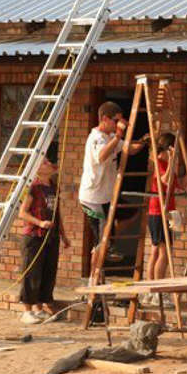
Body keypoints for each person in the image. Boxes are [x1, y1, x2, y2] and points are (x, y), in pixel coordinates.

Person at [79, 101, 148, 286]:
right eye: (116, 121)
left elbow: (128, 148)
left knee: (131, 214)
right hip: (93, 198)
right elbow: (101, 156)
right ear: (105, 119)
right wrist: (118, 135)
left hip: (106, 197)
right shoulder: (95, 138)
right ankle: (94, 280)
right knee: (101, 241)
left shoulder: (110, 137)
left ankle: (108, 242)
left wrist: (143, 141)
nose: (119, 124)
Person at [16, 143, 70, 324]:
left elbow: (56, 212)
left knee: (47, 272)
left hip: (51, 236)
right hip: (34, 236)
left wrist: (63, 235)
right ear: (37, 168)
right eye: (45, 162)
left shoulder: (53, 186)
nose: (49, 164)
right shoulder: (32, 187)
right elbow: (22, 213)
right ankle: (27, 310)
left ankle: (39, 308)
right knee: (32, 273)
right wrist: (40, 223)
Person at [142, 133, 181, 307]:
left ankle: (151, 291)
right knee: (163, 253)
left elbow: (178, 184)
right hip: (159, 211)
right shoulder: (159, 162)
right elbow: (164, 181)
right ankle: (157, 291)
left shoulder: (167, 163)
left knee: (156, 251)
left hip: (166, 210)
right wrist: (172, 160)